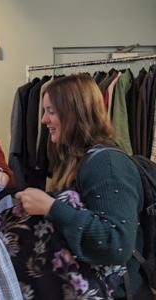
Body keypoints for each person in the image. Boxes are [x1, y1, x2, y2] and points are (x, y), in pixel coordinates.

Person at [15, 74, 151, 299]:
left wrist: (51, 207)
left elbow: (117, 243)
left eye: (51, 111)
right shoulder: (79, 159)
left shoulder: (107, 164)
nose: (43, 120)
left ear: (74, 113)